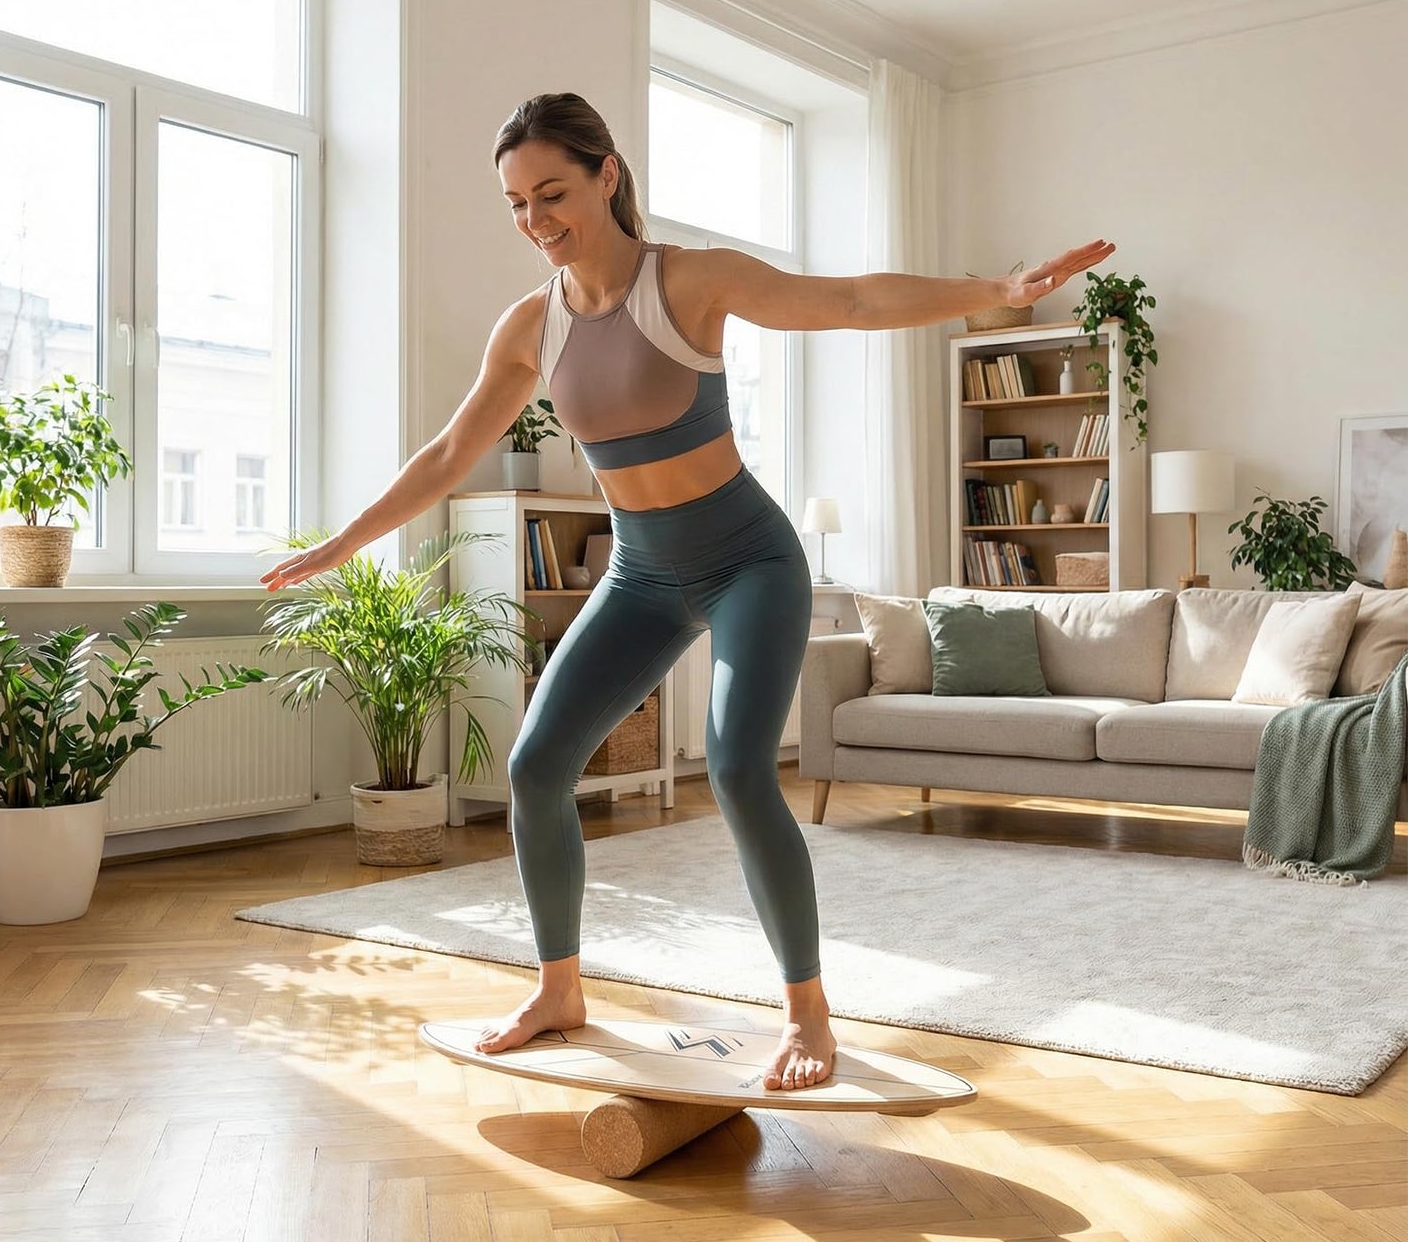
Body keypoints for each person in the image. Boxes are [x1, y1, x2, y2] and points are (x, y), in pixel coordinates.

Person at [261, 91, 1115, 1090]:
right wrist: (341, 542)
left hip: (748, 560)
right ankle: (557, 987)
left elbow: (844, 301)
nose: (536, 222)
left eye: (552, 193)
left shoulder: (689, 281)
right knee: (537, 764)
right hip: (640, 574)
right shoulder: (530, 328)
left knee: (737, 764)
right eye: (515, 205)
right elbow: (451, 450)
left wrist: (997, 289)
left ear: (607, 174)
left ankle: (807, 1016)